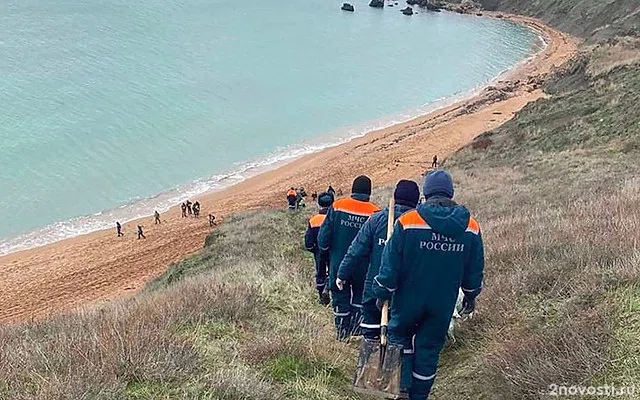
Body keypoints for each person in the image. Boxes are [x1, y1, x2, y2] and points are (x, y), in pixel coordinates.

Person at [373, 170, 484, 399]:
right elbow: (474, 269)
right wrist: (471, 296)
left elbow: (390, 264)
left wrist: (382, 291)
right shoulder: (471, 227)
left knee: (399, 337)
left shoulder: (407, 222)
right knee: (429, 349)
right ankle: (419, 395)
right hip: (442, 302)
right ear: (450, 192)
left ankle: (401, 387)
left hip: (408, 299)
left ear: (426, 193)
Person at [337, 180, 420, 341]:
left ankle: (373, 352)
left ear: (396, 197)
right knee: (400, 335)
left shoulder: (376, 220)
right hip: (407, 290)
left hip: (374, 288)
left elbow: (356, 250)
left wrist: (342, 274)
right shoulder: (419, 224)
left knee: (371, 331)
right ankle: (396, 358)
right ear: (416, 202)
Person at [318, 175, 380, 341]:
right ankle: (357, 331)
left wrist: (324, 252)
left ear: (353, 189)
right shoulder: (376, 212)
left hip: (338, 262)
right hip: (364, 266)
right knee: (360, 297)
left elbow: (324, 237)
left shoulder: (337, 207)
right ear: (369, 192)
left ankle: (342, 333)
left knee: (340, 297)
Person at [304, 192, 335, 305]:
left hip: (319, 252)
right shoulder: (336, 219)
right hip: (334, 252)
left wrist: (313, 250)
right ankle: (330, 288)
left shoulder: (313, 220)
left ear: (318, 204)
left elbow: (308, 242)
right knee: (333, 272)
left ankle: (322, 295)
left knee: (320, 273)